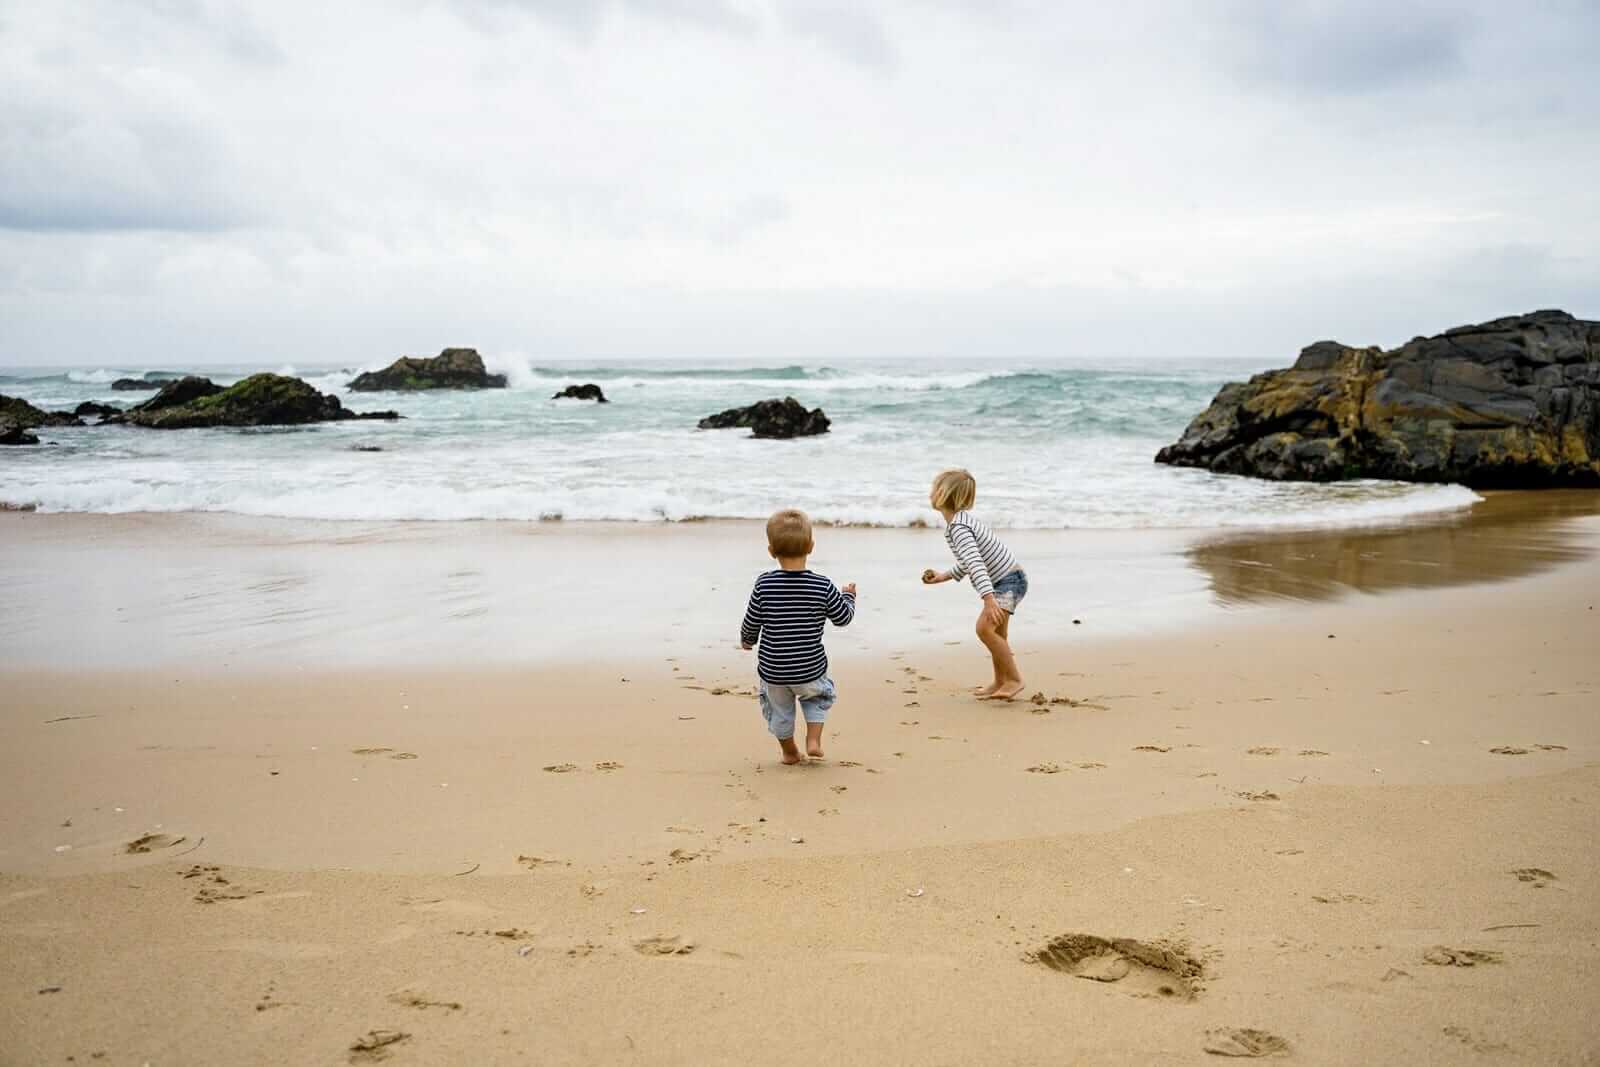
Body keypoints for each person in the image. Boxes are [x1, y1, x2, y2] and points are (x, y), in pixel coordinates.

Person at [740, 509, 857, 763]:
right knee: (817, 697)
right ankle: (813, 740)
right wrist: (848, 596)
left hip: (774, 671)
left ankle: (789, 752)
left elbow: (752, 620)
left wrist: (747, 640)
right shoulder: (822, 586)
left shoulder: (764, 585)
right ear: (811, 547)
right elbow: (843, 618)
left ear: (771, 551)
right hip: (810, 667)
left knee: (779, 711)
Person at [920, 468, 1028, 700]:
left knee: (984, 628)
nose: (930, 492)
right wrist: (943, 576)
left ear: (943, 494)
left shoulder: (958, 527)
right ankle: (1000, 681)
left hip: (1008, 582)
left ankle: (1014, 679)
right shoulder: (961, 523)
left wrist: (989, 600)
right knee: (997, 632)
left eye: (934, 488)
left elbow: (976, 564)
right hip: (1009, 578)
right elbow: (969, 561)